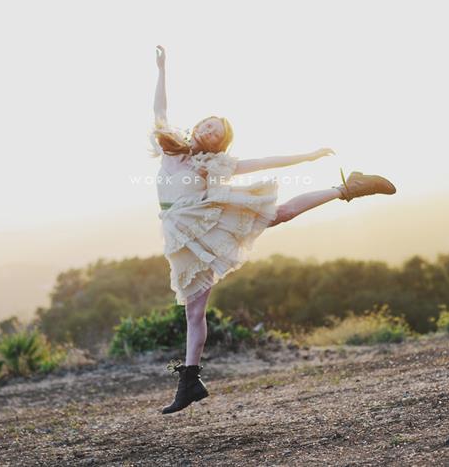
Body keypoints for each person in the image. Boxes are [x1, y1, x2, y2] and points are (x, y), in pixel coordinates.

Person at [150, 45, 397, 414]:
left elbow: (265, 161)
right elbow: (160, 110)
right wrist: (162, 69)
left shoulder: (217, 164)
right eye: (205, 124)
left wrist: (308, 156)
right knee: (194, 312)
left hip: (206, 224)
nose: (206, 130)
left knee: (280, 214)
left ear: (220, 142)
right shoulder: (171, 148)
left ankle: (347, 188)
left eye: (214, 131)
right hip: (182, 235)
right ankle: (191, 380)